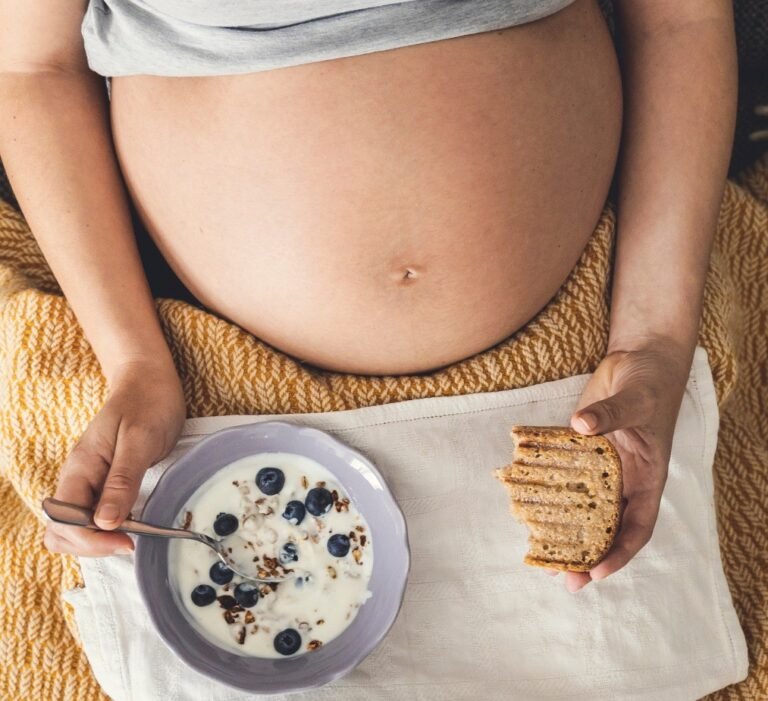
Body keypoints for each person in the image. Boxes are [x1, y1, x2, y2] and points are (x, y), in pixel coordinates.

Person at [0, 0, 736, 594]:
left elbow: (680, 19)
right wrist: (135, 363)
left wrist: (655, 343)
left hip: (600, 348)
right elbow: (31, 64)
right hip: (200, 375)